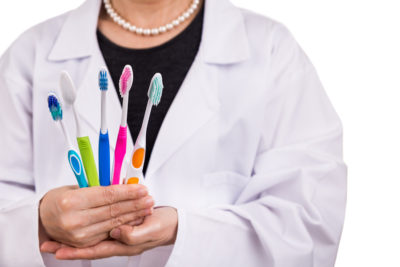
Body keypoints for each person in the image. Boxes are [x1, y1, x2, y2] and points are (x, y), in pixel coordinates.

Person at [0, 0, 347, 266]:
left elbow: (308, 224)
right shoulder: (31, 55)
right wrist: (40, 220)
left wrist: (181, 230)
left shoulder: (271, 50)